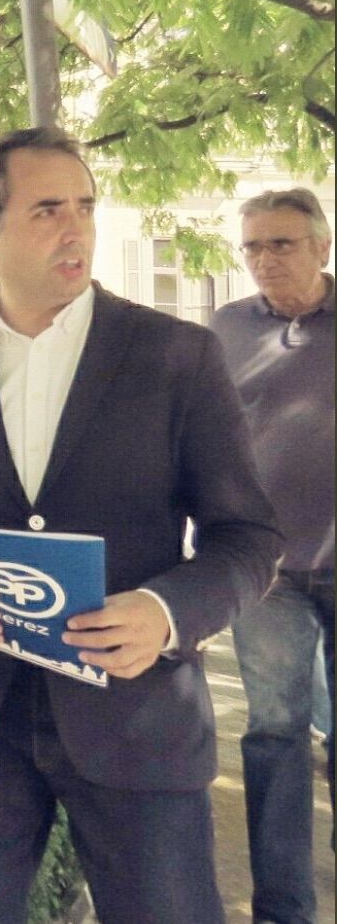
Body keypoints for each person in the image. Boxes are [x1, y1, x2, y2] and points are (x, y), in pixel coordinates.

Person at [0, 127, 281, 922]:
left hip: (136, 715)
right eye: (47, 210)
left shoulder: (177, 356)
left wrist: (165, 612)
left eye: (85, 205)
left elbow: (248, 538)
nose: (75, 227)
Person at [208, 187, 334, 924]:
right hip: (268, 574)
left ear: (322, 247)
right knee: (275, 733)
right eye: (251, 246)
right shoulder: (225, 329)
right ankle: (284, 907)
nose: (262, 260)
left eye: (280, 244)